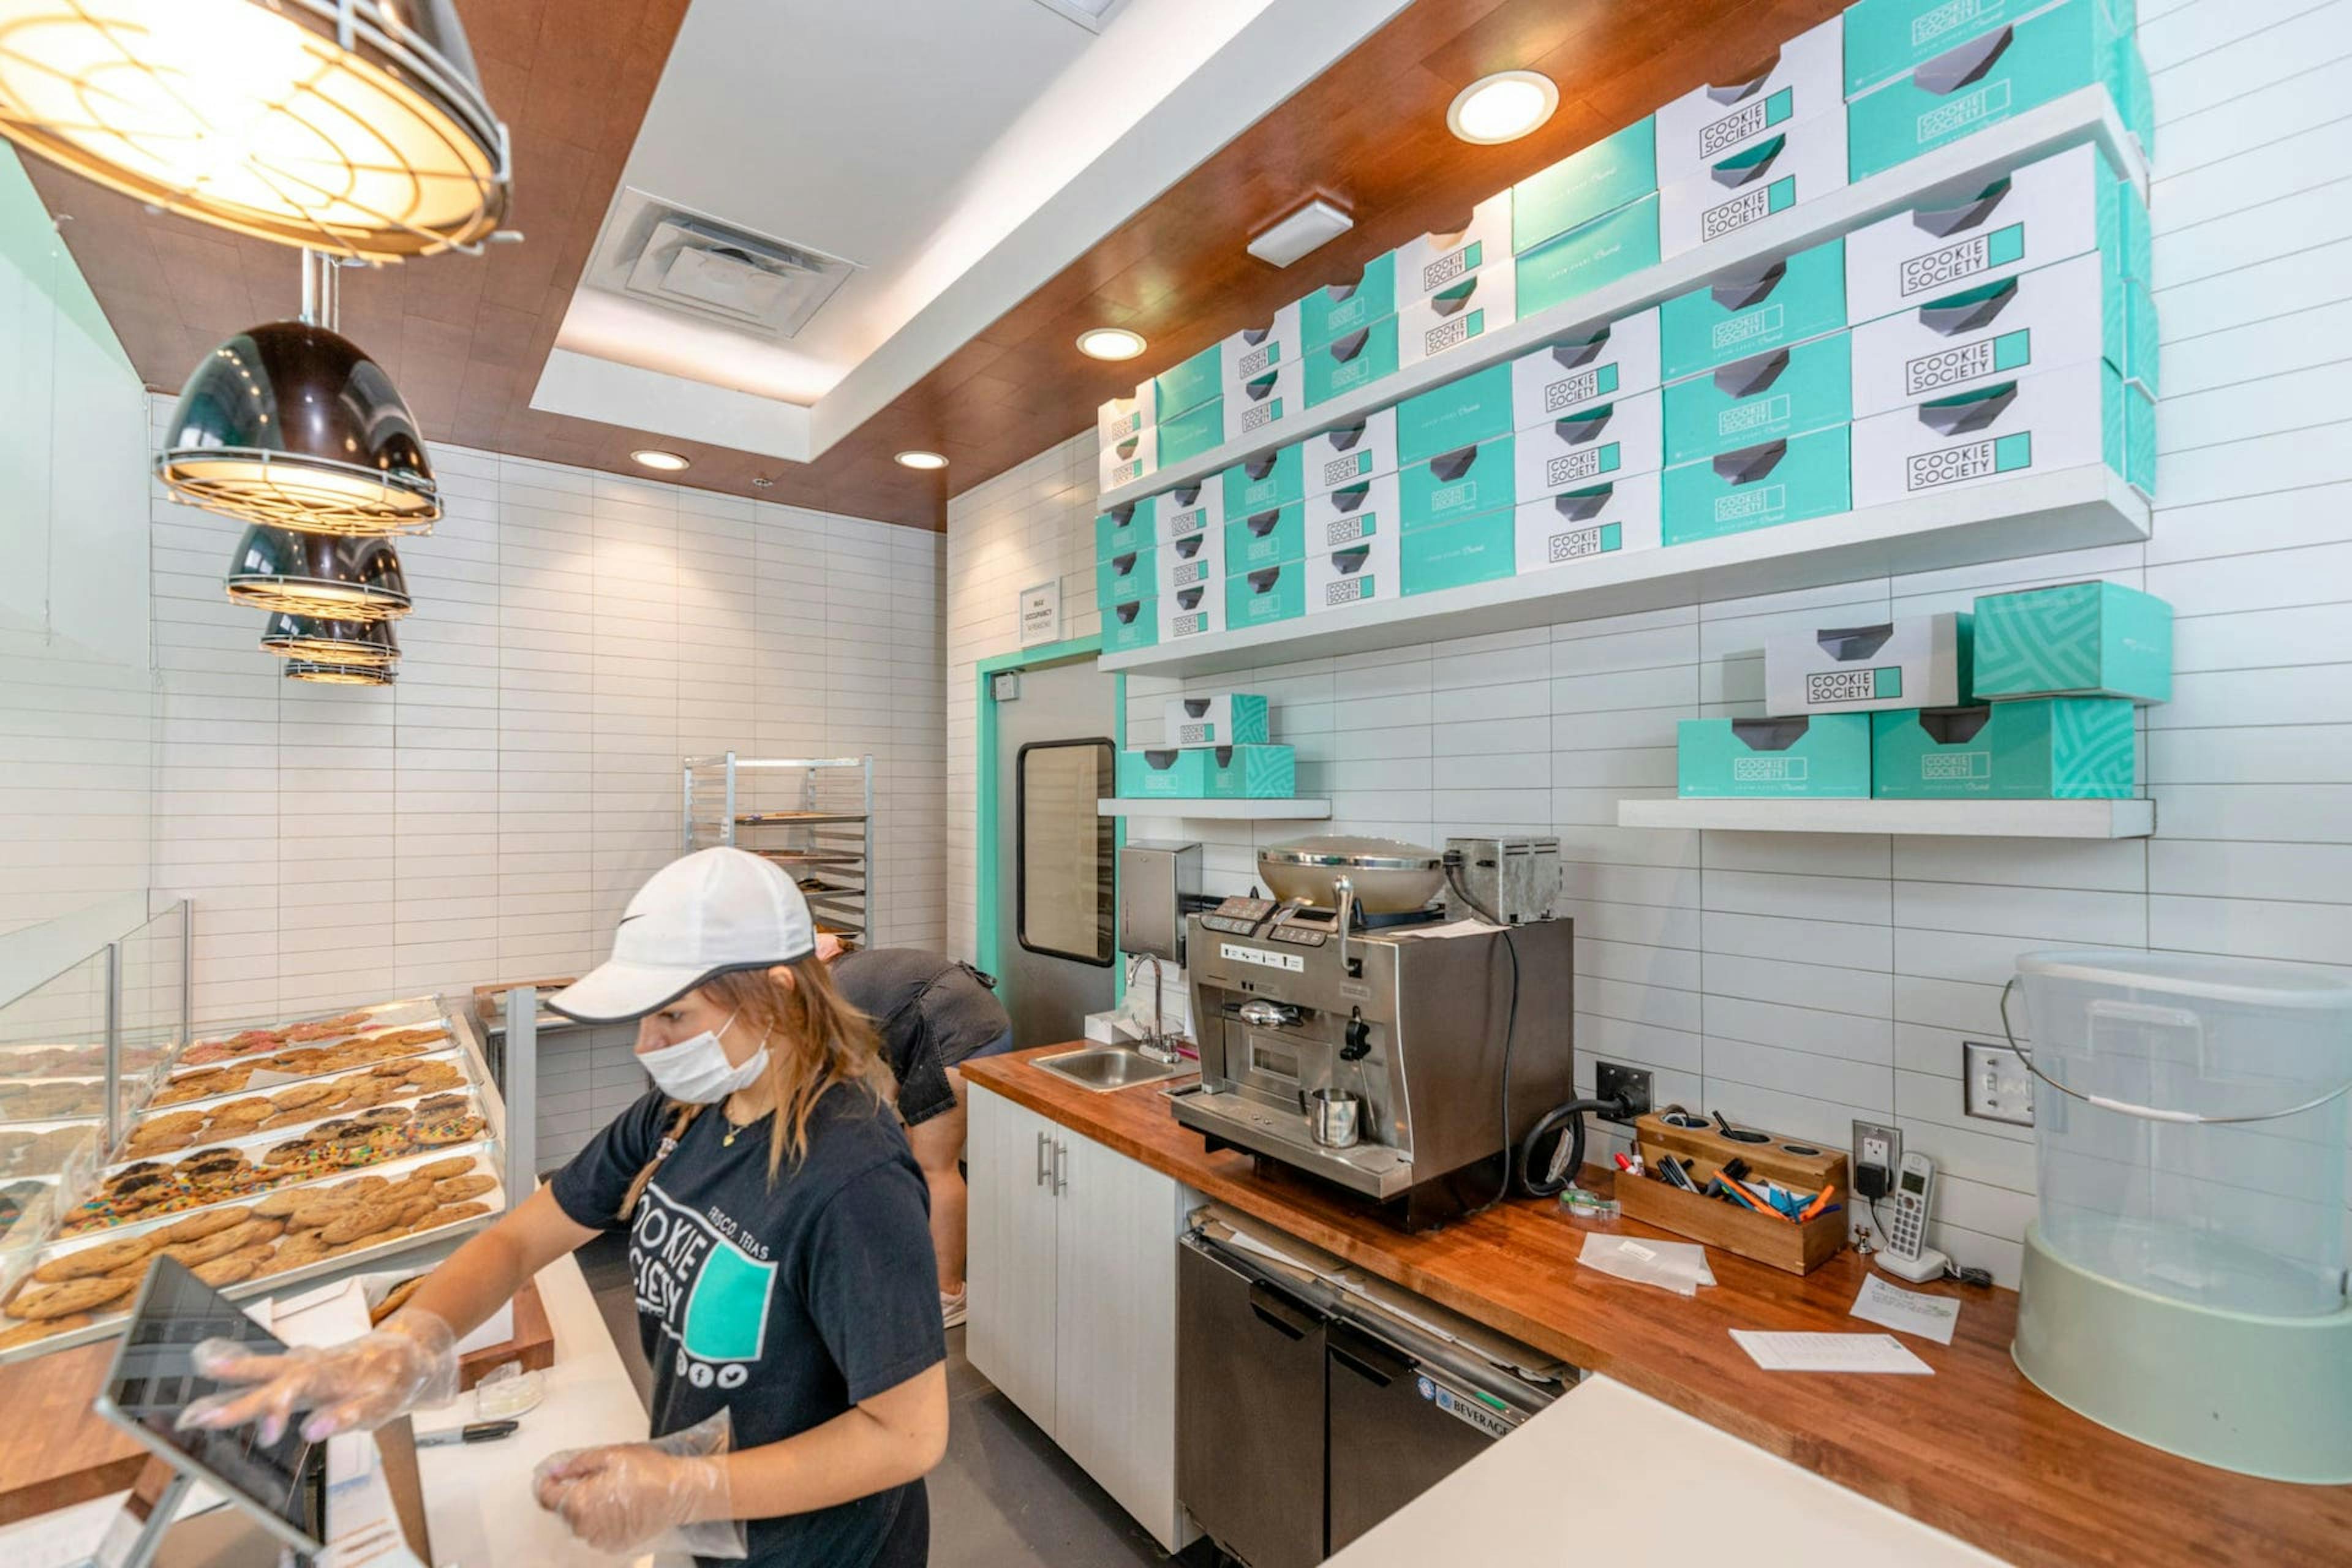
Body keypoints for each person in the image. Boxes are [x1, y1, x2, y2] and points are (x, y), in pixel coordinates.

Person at [181, 848, 949, 1566]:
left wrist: (691, 1487)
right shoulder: (683, 1114)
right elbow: (519, 1240)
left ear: (777, 994)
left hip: (824, 1545)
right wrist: (410, 1341)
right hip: (720, 1526)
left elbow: (907, 1437)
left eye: (674, 1017)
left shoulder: (854, 1177)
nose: (647, 1042)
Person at [818, 937, 1012, 1329]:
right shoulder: (863, 973)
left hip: (959, 1040)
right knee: (914, 1151)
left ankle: (948, 1294)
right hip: (976, 1027)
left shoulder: (833, 991)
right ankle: (921, 1259)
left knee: (935, 1166)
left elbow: (834, 1075)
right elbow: (885, 1050)